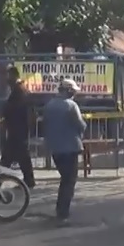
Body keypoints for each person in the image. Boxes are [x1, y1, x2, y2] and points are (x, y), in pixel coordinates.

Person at [41, 78, 85, 225]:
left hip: (55, 148)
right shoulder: (71, 106)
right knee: (69, 180)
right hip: (70, 147)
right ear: (69, 91)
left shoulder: (49, 105)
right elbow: (80, 125)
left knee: (64, 179)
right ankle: (63, 212)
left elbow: (45, 124)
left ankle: (61, 209)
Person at [0, 65, 36, 188]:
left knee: (11, 158)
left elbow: (17, 110)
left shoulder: (19, 91)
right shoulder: (18, 90)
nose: (5, 78)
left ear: (14, 76)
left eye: (7, 75)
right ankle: (29, 181)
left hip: (18, 130)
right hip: (17, 130)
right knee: (19, 157)